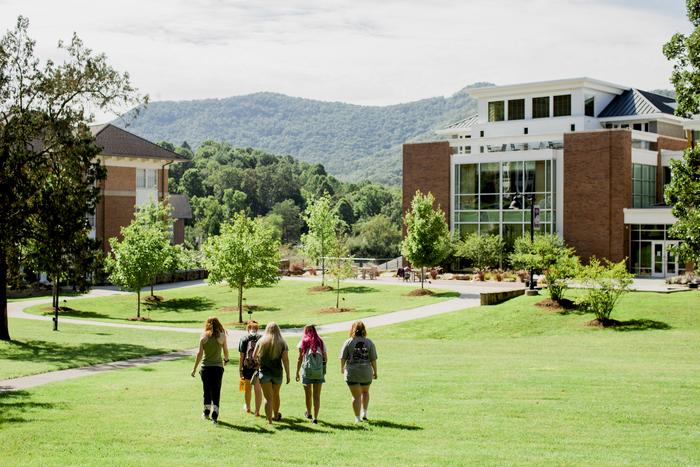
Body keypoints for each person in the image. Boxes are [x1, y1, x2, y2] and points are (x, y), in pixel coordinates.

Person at [191, 316, 229, 424]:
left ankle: (206, 411)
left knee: (206, 390)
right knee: (216, 390)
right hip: (218, 368)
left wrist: (194, 368)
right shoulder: (222, 336)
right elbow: (225, 351)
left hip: (205, 367)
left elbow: (199, 354)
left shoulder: (203, 336)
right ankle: (215, 414)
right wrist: (226, 360)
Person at [340, 320, 378, 423]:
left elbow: (343, 357)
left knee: (356, 396)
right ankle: (364, 413)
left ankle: (357, 418)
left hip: (353, 372)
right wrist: (375, 371)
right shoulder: (369, 342)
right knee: (365, 392)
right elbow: (373, 359)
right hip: (366, 372)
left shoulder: (348, 342)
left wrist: (342, 368)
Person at [253, 322, 290, 424]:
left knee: (268, 398)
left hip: (264, 373)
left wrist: (258, 362)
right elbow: (285, 360)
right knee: (276, 395)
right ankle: (276, 415)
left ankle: (269, 421)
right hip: (277, 373)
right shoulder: (282, 342)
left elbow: (253, 355)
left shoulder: (261, 341)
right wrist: (288, 374)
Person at [295, 325, 327, 424]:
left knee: (308, 395)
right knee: (317, 396)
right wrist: (322, 370)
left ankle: (309, 413)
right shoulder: (320, 341)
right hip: (318, 372)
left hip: (307, 372)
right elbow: (325, 358)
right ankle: (315, 418)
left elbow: (300, 359)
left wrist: (297, 372)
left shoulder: (303, 341)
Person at [238, 320, 262, 416]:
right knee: (258, 389)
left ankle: (247, 407)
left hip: (247, 366)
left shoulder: (244, 339)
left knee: (247, 389)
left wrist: (240, 369)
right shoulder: (261, 338)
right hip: (258, 367)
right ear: (257, 328)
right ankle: (257, 411)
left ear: (248, 328)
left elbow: (241, 356)